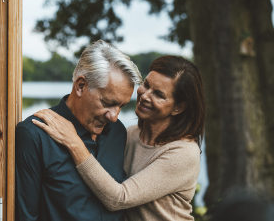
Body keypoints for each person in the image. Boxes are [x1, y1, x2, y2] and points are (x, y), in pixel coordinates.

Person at [33, 55, 206, 221]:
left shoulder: (183, 153)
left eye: (159, 95)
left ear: (178, 108)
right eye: (146, 84)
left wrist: (74, 142)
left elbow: (118, 199)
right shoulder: (126, 135)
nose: (145, 96)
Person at [15, 40, 142, 221]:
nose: (114, 116)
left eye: (122, 106)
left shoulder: (117, 131)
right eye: (107, 103)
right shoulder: (34, 135)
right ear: (80, 86)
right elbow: (26, 216)